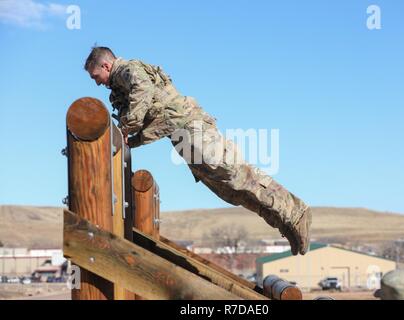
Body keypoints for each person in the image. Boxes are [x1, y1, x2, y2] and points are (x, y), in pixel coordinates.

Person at [84, 46, 312, 255]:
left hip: (190, 127)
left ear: (106, 66)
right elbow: (150, 117)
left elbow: (142, 93)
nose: (97, 83)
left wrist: (126, 127)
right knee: (229, 190)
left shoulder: (128, 70)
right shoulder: (119, 86)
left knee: (233, 172)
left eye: (96, 76)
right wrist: (132, 139)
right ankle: (284, 222)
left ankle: (296, 212)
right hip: (180, 135)